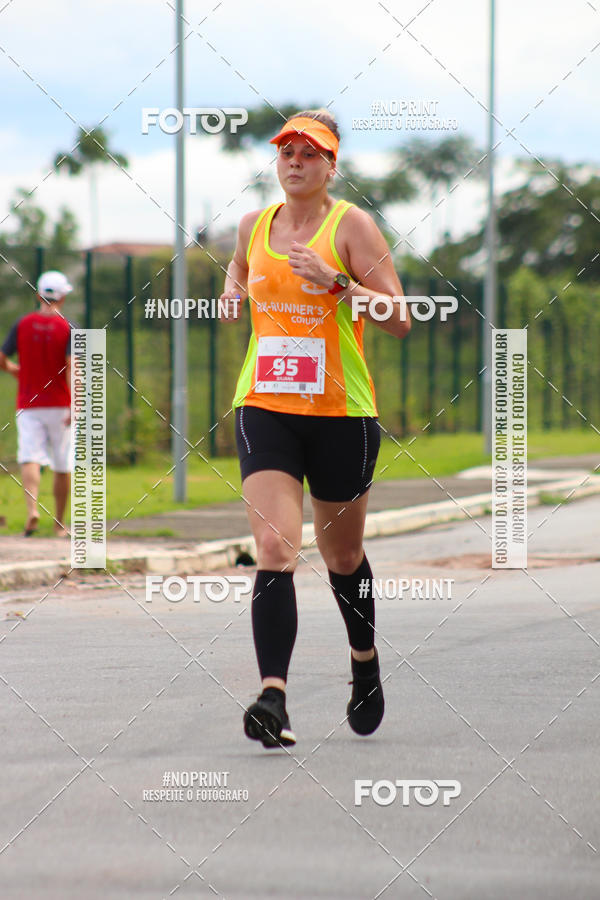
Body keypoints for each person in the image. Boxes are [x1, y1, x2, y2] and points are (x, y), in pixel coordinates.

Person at [219, 109, 411, 749]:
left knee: (341, 557)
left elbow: (399, 317)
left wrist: (337, 285)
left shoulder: (351, 224)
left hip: (341, 415)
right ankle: (272, 697)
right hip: (266, 405)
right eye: (286, 153)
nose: (295, 162)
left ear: (331, 165)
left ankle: (365, 662)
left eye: (309, 154)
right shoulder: (253, 226)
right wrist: (231, 294)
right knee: (275, 549)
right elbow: (241, 272)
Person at [0, 270, 75, 537]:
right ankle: (59, 523)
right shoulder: (68, 327)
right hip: (60, 404)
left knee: (30, 457)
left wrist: (13, 369)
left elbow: (2, 356)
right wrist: (76, 404)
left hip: (28, 403)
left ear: (38, 294)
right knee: (62, 464)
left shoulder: (22, 324)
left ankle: (32, 510)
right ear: (63, 297)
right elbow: (70, 366)